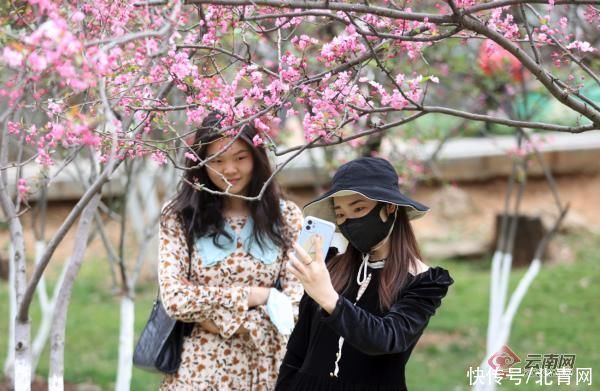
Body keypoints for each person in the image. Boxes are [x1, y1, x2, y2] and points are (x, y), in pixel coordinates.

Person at [276, 156, 454, 391]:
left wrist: (330, 298)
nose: (348, 220)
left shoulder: (423, 282)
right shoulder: (330, 266)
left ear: (389, 207)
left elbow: (387, 338)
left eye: (359, 208)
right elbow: (297, 350)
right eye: (340, 214)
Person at [158, 112, 304, 390]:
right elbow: (175, 298)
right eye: (217, 159)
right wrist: (259, 295)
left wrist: (217, 319)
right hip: (199, 373)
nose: (230, 169)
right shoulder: (179, 217)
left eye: (240, 157)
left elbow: (297, 303)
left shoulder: (287, 217)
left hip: (267, 370)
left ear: (257, 156)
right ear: (200, 163)